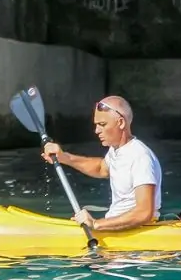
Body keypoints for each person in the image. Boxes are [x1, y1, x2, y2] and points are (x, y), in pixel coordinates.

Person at [41, 95, 162, 232]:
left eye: (102, 125)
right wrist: (64, 157)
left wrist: (96, 224)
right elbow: (101, 169)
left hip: (137, 231)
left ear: (121, 123)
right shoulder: (117, 150)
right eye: (96, 125)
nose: (96, 130)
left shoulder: (140, 157)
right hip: (118, 226)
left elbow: (144, 212)